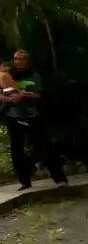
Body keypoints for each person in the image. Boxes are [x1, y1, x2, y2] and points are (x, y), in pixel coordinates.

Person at [0, 50, 67, 191]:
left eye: (22, 59)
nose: (18, 62)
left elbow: (38, 95)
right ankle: (24, 182)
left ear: (27, 61)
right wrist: (6, 98)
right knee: (16, 150)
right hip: (13, 116)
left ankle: (60, 178)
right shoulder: (8, 75)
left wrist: (23, 96)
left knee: (43, 146)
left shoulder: (34, 76)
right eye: (16, 59)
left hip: (31, 115)